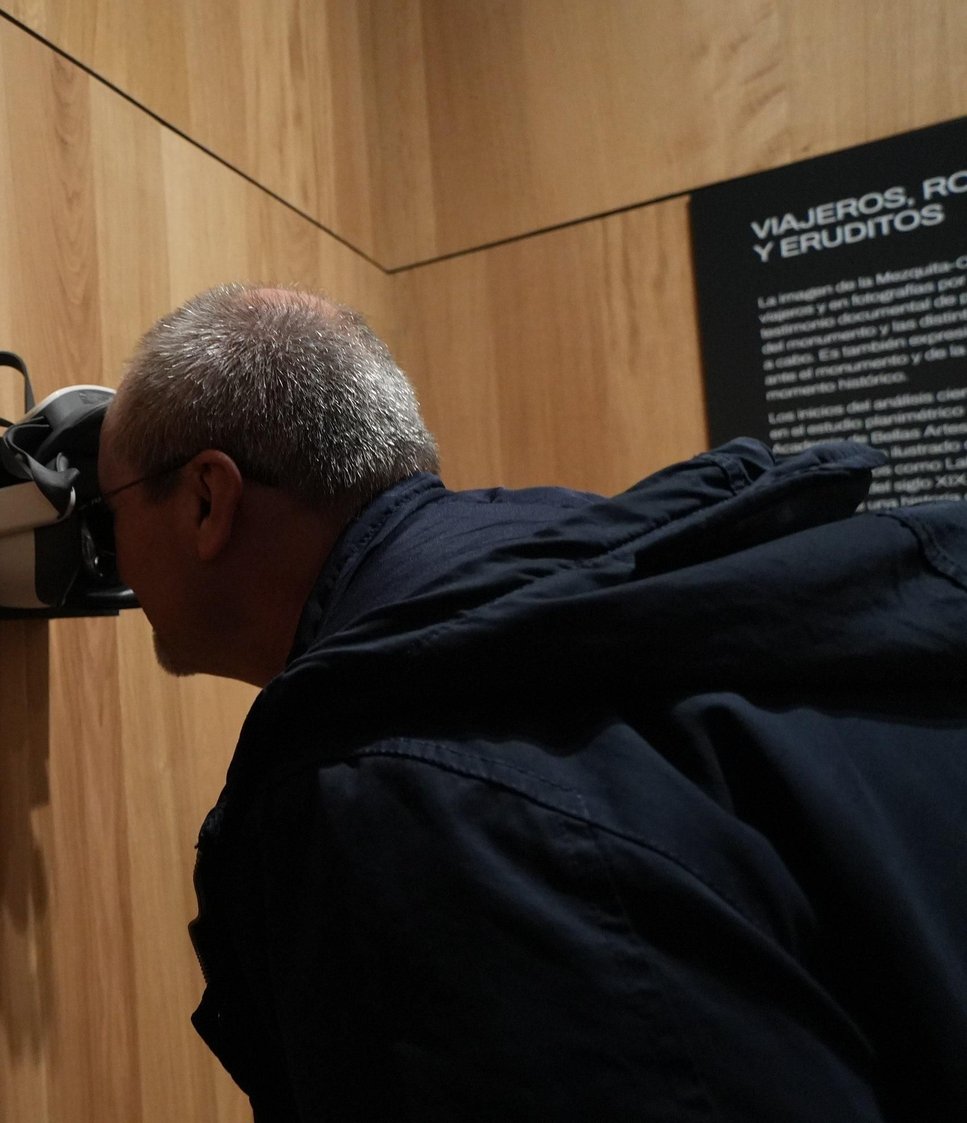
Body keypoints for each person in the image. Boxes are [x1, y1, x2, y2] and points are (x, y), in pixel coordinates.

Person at [93, 283, 967, 1121]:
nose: (112, 551)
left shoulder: (406, 796)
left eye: (110, 507)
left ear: (207, 500)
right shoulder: (617, 592)